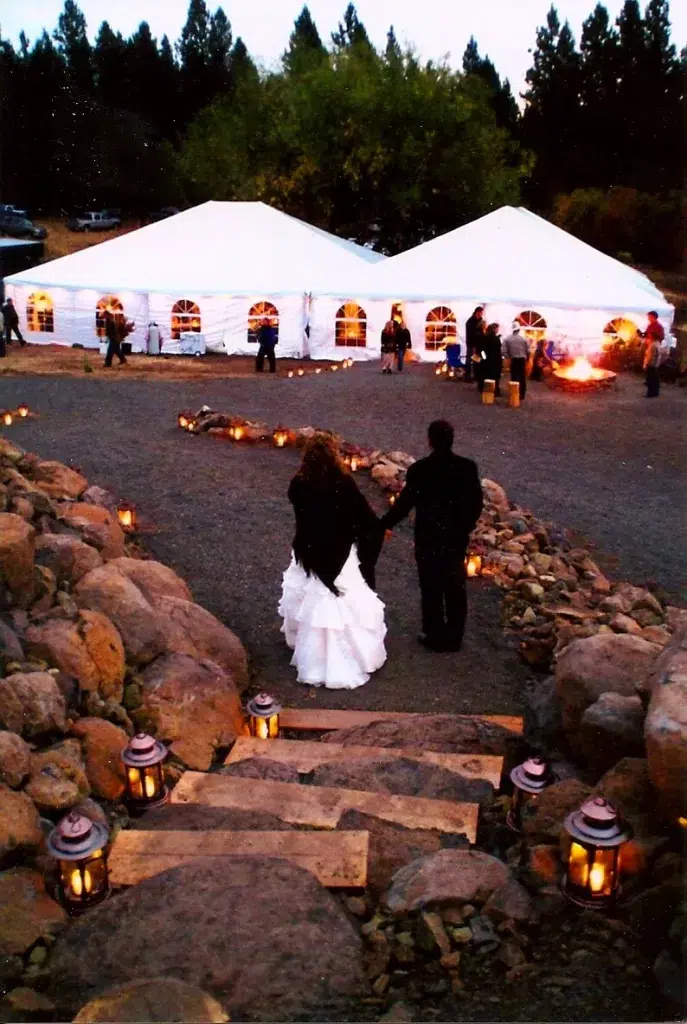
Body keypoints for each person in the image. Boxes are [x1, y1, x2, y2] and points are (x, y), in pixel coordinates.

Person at [278, 433, 386, 688]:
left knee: (312, 600)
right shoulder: (344, 483)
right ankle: (347, 658)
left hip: (309, 550)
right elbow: (364, 517)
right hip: (338, 551)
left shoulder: (298, 484)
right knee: (340, 605)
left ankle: (311, 656)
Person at [381, 419, 483, 653]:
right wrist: (465, 527)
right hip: (455, 536)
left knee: (431, 584)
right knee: (455, 583)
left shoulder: (420, 470)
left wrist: (384, 524)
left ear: (430, 441)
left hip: (429, 536)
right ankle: (455, 636)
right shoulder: (467, 468)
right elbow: (476, 503)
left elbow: (405, 504)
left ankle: (435, 633)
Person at [504, 322, 530, 400]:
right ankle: (522, 395)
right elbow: (528, 351)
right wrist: (527, 359)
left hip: (513, 360)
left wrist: (508, 358)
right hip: (522, 360)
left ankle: (514, 394)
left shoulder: (507, 339)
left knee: (514, 377)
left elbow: (503, 351)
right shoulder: (524, 339)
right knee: (522, 378)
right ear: (519, 329)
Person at [642, 311, 665, 398]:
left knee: (652, 370)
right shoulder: (650, 326)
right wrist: (642, 334)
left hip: (654, 346)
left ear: (654, 317)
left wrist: (653, 340)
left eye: (649, 317)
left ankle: (653, 391)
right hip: (651, 345)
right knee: (650, 371)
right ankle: (652, 389)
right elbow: (646, 334)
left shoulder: (659, 327)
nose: (648, 318)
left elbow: (661, 337)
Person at [479, 323, 503, 397]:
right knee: (495, 377)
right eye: (497, 329)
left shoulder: (484, 336)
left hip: (486, 360)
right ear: (494, 329)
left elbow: (481, 349)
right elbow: (498, 351)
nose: (498, 330)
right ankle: (495, 391)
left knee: (486, 375)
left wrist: (484, 358)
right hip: (495, 360)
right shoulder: (496, 339)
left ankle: (485, 389)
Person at [464, 306, 485, 383]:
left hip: (478, 345)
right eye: (480, 313)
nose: (481, 315)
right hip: (471, 344)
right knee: (469, 360)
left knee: (477, 360)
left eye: (482, 313)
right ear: (477, 312)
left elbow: (481, 331)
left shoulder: (479, 320)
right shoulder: (470, 321)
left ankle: (476, 375)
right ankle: (467, 376)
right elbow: (470, 334)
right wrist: (473, 346)